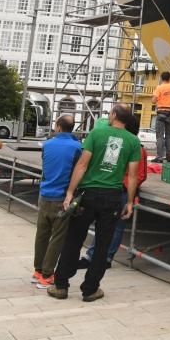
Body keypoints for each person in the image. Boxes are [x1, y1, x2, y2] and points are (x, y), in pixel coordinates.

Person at [49, 104, 141, 302]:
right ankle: (90, 289)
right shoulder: (133, 141)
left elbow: (82, 165)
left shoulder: (96, 134)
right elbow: (132, 176)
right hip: (113, 196)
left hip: (88, 194)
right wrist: (130, 202)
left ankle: (61, 285)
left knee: (74, 239)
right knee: (102, 244)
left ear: (114, 115)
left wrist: (70, 192)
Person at [80, 114, 148, 269]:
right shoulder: (120, 143)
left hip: (122, 191)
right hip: (113, 189)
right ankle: (94, 256)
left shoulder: (136, 146)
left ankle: (104, 258)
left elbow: (139, 175)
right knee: (105, 226)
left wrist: (127, 188)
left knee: (114, 227)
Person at [32, 115, 81, 288]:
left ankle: (38, 270)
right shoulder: (77, 147)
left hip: (44, 194)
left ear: (59, 127)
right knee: (57, 238)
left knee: (42, 234)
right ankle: (47, 275)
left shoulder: (47, 145)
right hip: (62, 198)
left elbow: (46, 166)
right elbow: (78, 170)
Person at [151, 71, 170, 163]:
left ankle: (159, 157)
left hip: (161, 112)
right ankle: (169, 156)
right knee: (169, 136)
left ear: (161, 78)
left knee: (159, 136)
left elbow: (153, 101)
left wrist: (158, 98)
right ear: (169, 78)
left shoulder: (159, 87)